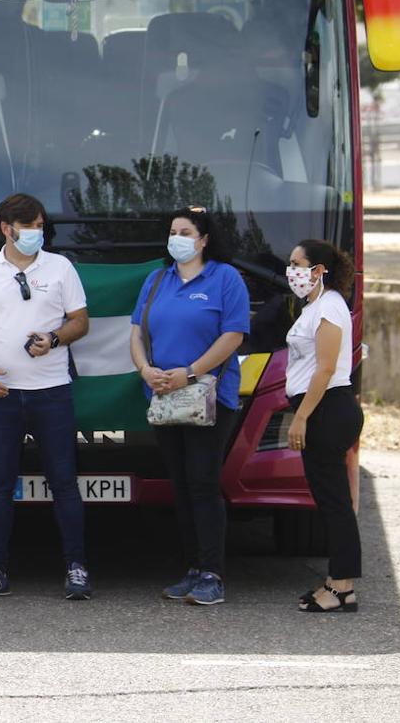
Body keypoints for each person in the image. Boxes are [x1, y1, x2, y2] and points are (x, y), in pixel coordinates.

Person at [0, 193, 93, 601]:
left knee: (65, 483)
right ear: (6, 228)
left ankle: (77, 567)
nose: (37, 232)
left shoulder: (61, 266)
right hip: (0, 394)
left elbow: (81, 322)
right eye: (29, 225)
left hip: (52, 392)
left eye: (40, 225)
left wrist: (52, 338)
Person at [128, 207, 249, 607]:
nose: (176, 237)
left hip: (209, 396)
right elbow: (136, 332)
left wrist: (191, 373)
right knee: (179, 485)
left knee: (202, 482)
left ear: (203, 239)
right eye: (172, 231)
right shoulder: (157, 279)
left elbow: (233, 335)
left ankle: (213, 573)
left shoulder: (225, 279)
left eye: (185, 231)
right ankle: (193, 568)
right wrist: (146, 370)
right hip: (163, 395)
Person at [285, 239, 363, 612]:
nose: (292, 271)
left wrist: (301, 417)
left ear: (319, 270)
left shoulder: (330, 307)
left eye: (298, 264)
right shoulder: (314, 307)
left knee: (334, 503)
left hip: (327, 411)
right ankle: (336, 580)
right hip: (320, 409)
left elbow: (327, 369)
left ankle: (343, 586)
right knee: (329, 500)